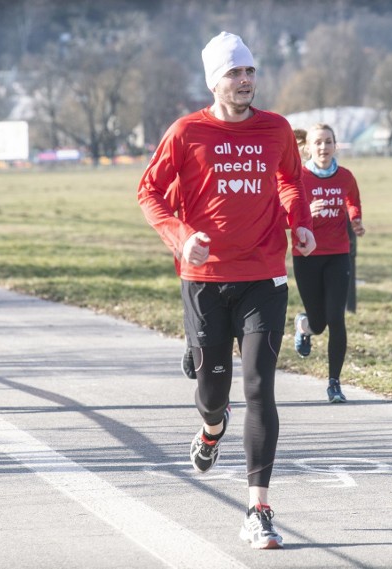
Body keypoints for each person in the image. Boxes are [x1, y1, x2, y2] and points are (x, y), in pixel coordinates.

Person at [138, 31, 315, 549]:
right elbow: (148, 192)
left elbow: (290, 179)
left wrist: (296, 221)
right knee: (213, 393)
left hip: (264, 274)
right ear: (215, 81)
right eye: (234, 73)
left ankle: (258, 507)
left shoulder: (276, 128)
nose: (245, 81)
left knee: (260, 386)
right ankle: (212, 428)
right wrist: (180, 236)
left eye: (250, 72)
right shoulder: (186, 132)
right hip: (206, 281)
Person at [292, 123, 365, 403]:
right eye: (318, 142)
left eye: (328, 142)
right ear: (308, 147)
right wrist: (306, 213)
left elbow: (352, 202)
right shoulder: (298, 177)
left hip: (337, 254)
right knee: (319, 323)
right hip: (307, 255)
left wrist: (356, 220)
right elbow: (284, 211)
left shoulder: (345, 176)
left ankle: (334, 383)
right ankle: (304, 326)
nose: (323, 147)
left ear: (336, 145)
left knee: (336, 318)